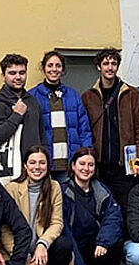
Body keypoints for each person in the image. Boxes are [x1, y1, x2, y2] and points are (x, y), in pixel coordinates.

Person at [2, 146, 73, 265]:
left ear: (48, 165)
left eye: (42, 162)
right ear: (25, 165)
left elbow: (57, 223)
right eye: (32, 162)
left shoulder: (54, 187)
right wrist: (24, 256)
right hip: (19, 252)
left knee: (64, 244)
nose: (37, 167)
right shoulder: (11, 189)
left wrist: (43, 244)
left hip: (42, 250)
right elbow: (4, 229)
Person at [80, 48, 139, 212]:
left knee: (127, 207)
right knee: (101, 208)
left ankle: (126, 238)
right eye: (105, 63)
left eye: (113, 63)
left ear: (118, 67)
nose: (110, 67)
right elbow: (83, 129)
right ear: (99, 67)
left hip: (124, 166)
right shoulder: (88, 97)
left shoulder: (132, 94)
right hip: (99, 166)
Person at [59, 148, 126, 265]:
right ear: (73, 166)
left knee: (116, 243)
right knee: (61, 245)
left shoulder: (101, 189)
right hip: (70, 242)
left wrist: (103, 241)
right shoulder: (62, 190)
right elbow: (61, 226)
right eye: (82, 164)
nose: (86, 168)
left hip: (93, 244)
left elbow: (114, 217)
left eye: (90, 165)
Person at [28, 50, 93, 181]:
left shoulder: (72, 95)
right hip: (44, 164)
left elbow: (84, 128)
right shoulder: (32, 96)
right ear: (43, 68)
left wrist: (85, 155)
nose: (54, 69)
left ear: (62, 69)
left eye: (58, 66)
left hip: (68, 163)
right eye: (50, 65)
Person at [0, 54, 44, 166]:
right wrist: (16, 115)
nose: (18, 77)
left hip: (33, 169)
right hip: (9, 172)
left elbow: (41, 136)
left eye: (22, 73)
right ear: (3, 76)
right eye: (12, 73)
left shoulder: (32, 101)